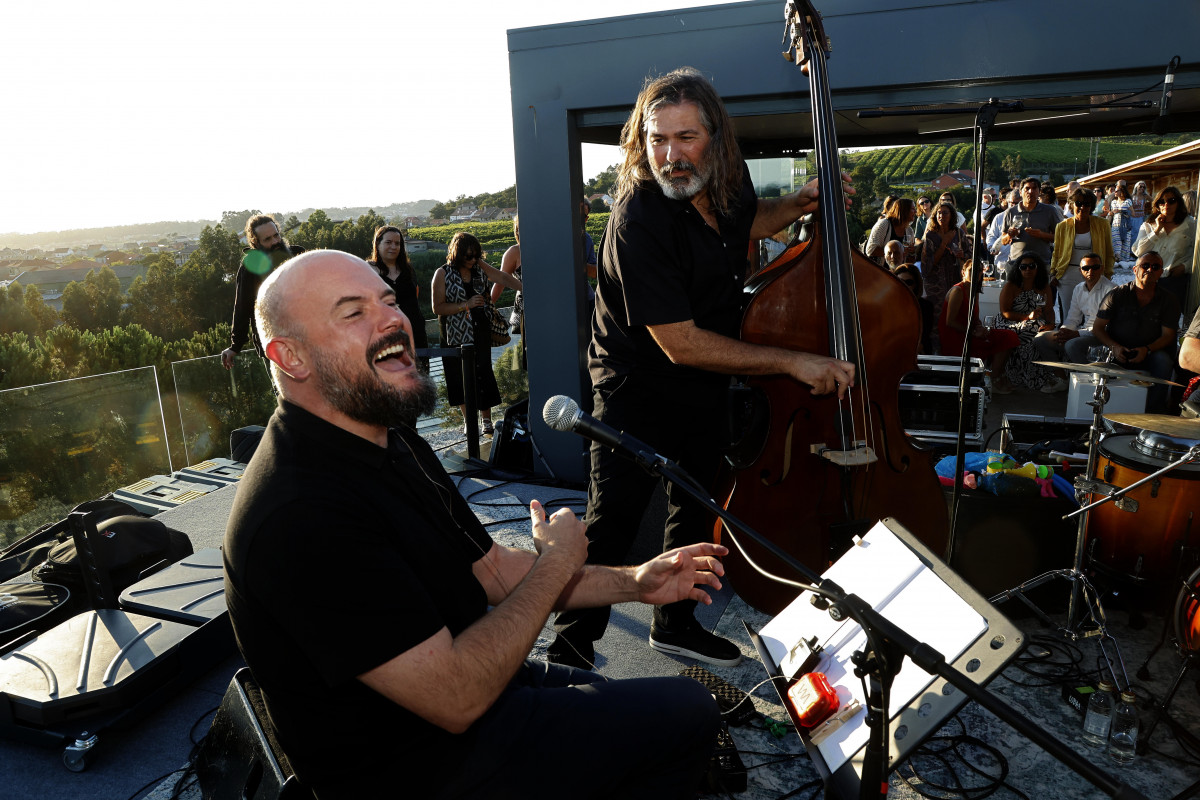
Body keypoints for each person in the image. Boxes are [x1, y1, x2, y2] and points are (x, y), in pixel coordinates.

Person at [224, 250, 724, 799]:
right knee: (689, 712)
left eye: (389, 301)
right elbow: (456, 698)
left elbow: (491, 568)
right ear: (290, 357)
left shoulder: (389, 437)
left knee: (611, 695)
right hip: (421, 766)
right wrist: (557, 560)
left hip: (483, 693)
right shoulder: (300, 515)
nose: (394, 320)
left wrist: (635, 582)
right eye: (353, 312)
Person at [548, 66, 855, 670]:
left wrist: (796, 205)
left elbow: (747, 222)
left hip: (705, 380)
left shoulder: (729, 181)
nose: (671, 155)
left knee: (694, 506)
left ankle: (676, 623)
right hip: (637, 382)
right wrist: (793, 361)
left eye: (686, 137)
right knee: (614, 520)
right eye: (658, 139)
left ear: (716, 138)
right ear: (643, 142)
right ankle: (571, 645)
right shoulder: (638, 216)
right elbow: (680, 342)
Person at [432, 232, 523, 437]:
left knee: (483, 373)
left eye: (476, 255)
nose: (473, 260)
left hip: (479, 329)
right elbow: (437, 307)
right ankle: (468, 420)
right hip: (453, 334)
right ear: (457, 253)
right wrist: (466, 305)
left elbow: (501, 276)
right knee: (457, 376)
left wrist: (526, 289)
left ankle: (486, 420)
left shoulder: (479, 267)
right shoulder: (442, 273)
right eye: (469, 256)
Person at [1093, 251, 1181, 413]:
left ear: (1161, 272)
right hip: (1117, 350)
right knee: (1076, 347)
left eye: (1155, 267)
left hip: (1150, 352)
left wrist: (1146, 350)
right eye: (1145, 266)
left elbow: (1168, 336)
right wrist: (1115, 347)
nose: (1149, 270)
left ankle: (1152, 413)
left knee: (1163, 361)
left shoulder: (1169, 300)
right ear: (1135, 270)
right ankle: (1098, 407)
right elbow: (1097, 328)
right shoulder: (1117, 294)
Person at [221, 214, 305, 369]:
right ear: (255, 242)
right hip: (273, 346)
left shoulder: (298, 256)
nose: (275, 242)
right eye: (267, 239)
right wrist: (235, 346)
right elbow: (242, 308)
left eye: (276, 235)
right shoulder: (249, 269)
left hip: (307, 339)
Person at [938, 261, 1018, 394]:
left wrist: (981, 328)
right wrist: (975, 333)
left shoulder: (974, 291)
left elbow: (974, 320)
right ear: (963, 272)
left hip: (970, 333)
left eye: (979, 270)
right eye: (972, 270)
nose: (976, 273)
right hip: (956, 338)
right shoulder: (958, 291)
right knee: (1006, 338)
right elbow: (950, 321)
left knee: (1010, 336)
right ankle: (994, 379)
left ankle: (995, 375)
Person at [1033, 252, 1116, 375]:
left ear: (1102, 268)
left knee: (1072, 345)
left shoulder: (1111, 290)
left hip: (1102, 336)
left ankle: (1092, 378)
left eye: (1095, 267)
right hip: (1083, 332)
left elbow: (1107, 326)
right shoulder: (1079, 288)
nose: (1090, 271)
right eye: (1086, 268)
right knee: (1040, 339)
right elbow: (1072, 318)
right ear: (1080, 270)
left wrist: (1076, 333)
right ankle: (1060, 377)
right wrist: (1063, 332)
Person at [368, 226, 429, 373]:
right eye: (388, 242)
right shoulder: (368, 270)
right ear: (378, 244)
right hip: (386, 337)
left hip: (415, 333)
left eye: (397, 243)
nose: (393, 247)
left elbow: (415, 296)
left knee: (420, 379)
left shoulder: (408, 270)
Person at [994, 252, 1058, 390]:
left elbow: (1048, 310)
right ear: (1018, 269)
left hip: (1034, 321)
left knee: (1043, 333)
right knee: (1029, 334)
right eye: (1023, 267)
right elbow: (1005, 312)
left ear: (1038, 268)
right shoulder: (1011, 286)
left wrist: (1051, 324)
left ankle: (1036, 377)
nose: (1027, 269)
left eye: (1031, 266)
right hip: (1009, 321)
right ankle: (1023, 377)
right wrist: (1027, 317)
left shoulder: (1044, 286)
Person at [1134, 185, 1196, 317]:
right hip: (1150, 279)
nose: (1166, 204)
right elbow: (1139, 251)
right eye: (1162, 201)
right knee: (1150, 318)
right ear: (1157, 204)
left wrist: (1185, 267)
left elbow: (1198, 253)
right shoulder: (1148, 225)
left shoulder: (1190, 224)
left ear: (1178, 203)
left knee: (1172, 319)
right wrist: (1156, 231)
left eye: (1171, 201)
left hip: (1176, 280)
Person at [1049, 189, 1114, 313]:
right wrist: (1053, 272)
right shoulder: (1062, 226)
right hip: (1067, 275)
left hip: (1094, 274)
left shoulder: (1103, 224)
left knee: (1093, 313)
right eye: (1078, 203)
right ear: (1072, 205)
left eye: (1087, 204)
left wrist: (1107, 273)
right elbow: (1056, 252)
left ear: (1092, 206)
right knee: (1070, 313)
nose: (1082, 207)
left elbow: (1109, 252)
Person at [920, 200, 966, 322]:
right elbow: (928, 264)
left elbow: (969, 256)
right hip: (935, 286)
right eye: (939, 213)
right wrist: (944, 242)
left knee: (954, 316)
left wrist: (962, 255)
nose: (941, 216)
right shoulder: (931, 236)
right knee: (937, 318)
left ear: (952, 215)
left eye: (945, 213)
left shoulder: (959, 233)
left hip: (954, 281)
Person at [490, 215, 526, 370]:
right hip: (527, 313)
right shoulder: (514, 252)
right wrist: (488, 306)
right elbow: (500, 282)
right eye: (518, 228)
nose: (519, 231)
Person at [999, 177, 1058, 267]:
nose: (1031, 192)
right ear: (1020, 192)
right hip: (1016, 263)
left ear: (1039, 192)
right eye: (1027, 189)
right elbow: (1003, 240)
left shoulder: (1050, 211)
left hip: (1041, 264)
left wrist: (1041, 235)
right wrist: (1010, 234)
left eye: (1034, 188)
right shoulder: (1010, 212)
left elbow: (1059, 237)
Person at [892, 263, 934, 354]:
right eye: (900, 281)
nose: (904, 285)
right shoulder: (887, 305)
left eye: (909, 282)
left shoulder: (926, 307)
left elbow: (924, 337)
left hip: (917, 355)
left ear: (916, 284)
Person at [866, 197, 916, 266]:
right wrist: (896, 253)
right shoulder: (884, 224)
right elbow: (870, 250)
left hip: (898, 273)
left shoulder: (909, 230)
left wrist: (912, 252)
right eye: (913, 209)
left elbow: (909, 258)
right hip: (880, 271)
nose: (916, 212)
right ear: (904, 211)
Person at [1108, 184, 1134, 264]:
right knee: (1116, 241)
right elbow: (1112, 214)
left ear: (1122, 191)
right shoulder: (1113, 202)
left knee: (1125, 242)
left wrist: (1121, 211)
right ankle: (1117, 257)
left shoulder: (1128, 201)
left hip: (1125, 224)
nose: (1114, 192)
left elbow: (1133, 213)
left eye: (1116, 191)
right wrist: (1109, 212)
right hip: (1115, 224)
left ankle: (1123, 260)